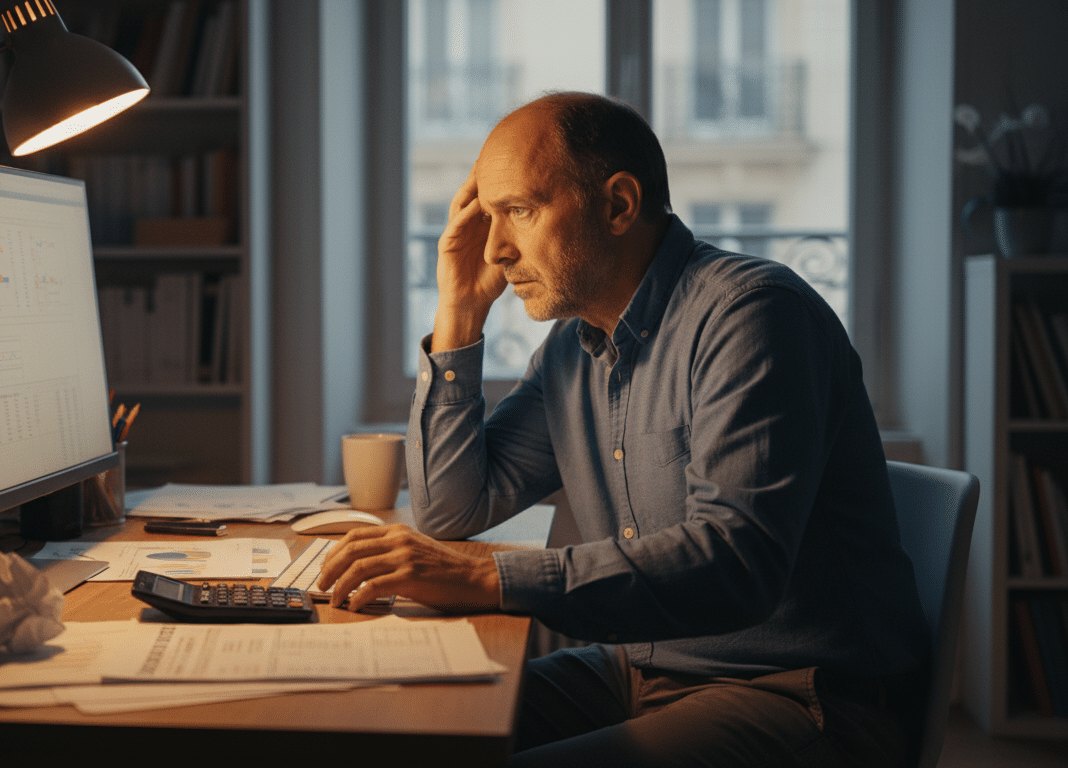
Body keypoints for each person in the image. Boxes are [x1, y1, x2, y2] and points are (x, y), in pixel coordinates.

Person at [317, 92, 929, 766]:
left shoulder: (752, 316)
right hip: (641, 672)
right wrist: (459, 313)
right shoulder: (571, 353)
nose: (494, 249)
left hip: (798, 696)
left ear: (617, 205)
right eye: (488, 217)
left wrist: (492, 577)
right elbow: (452, 508)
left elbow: (734, 564)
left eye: (518, 211)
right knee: (390, 730)